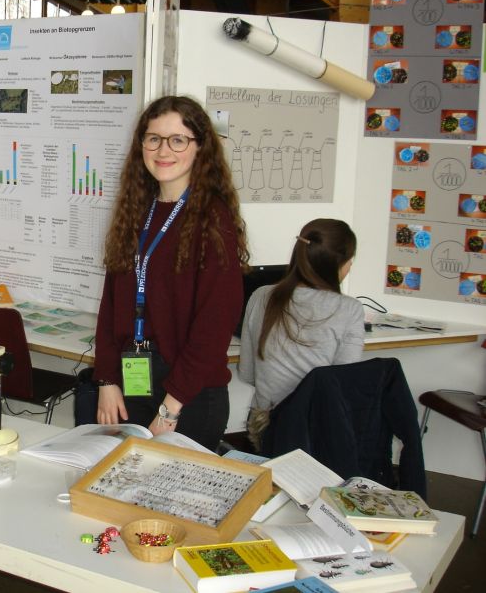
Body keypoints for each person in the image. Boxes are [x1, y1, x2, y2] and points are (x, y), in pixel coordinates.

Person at [93, 95, 248, 452]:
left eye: (178, 140)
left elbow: (213, 327)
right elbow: (111, 304)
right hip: (133, 385)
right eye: (153, 139)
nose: (164, 150)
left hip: (188, 398)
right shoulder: (137, 211)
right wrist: (106, 379)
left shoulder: (212, 220)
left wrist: (170, 408)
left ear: (200, 148)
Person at [237, 218, 365, 449]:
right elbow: (344, 385)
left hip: (265, 426)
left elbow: (247, 373)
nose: (350, 267)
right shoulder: (350, 309)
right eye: (350, 261)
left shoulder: (261, 296)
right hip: (317, 428)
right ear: (338, 263)